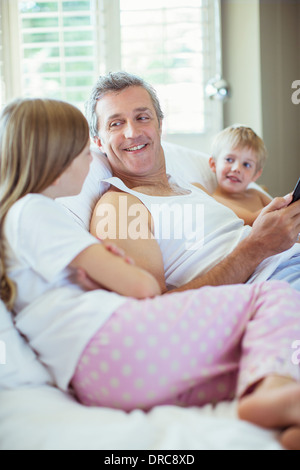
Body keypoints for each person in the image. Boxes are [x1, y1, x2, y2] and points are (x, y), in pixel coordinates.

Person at [1, 98, 300, 450]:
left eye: (142, 117)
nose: (90, 163)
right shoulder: (45, 209)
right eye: (85, 152)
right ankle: (277, 394)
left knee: (246, 367)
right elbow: (144, 290)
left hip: (105, 372)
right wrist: (111, 266)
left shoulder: (199, 189)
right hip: (108, 346)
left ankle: (282, 416)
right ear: (57, 157)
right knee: (276, 297)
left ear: (160, 124)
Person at [86, 71, 300, 294]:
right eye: (116, 123)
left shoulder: (192, 188)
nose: (132, 132)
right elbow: (152, 309)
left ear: (160, 125)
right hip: (274, 284)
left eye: (142, 118)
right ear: (98, 141)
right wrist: (257, 247)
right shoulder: (118, 206)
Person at [195, 125, 272, 226]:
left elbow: (283, 212)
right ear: (214, 164)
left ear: (255, 175)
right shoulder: (216, 200)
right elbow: (252, 220)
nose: (237, 168)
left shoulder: (257, 194)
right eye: (229, 160)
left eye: (246, 164)